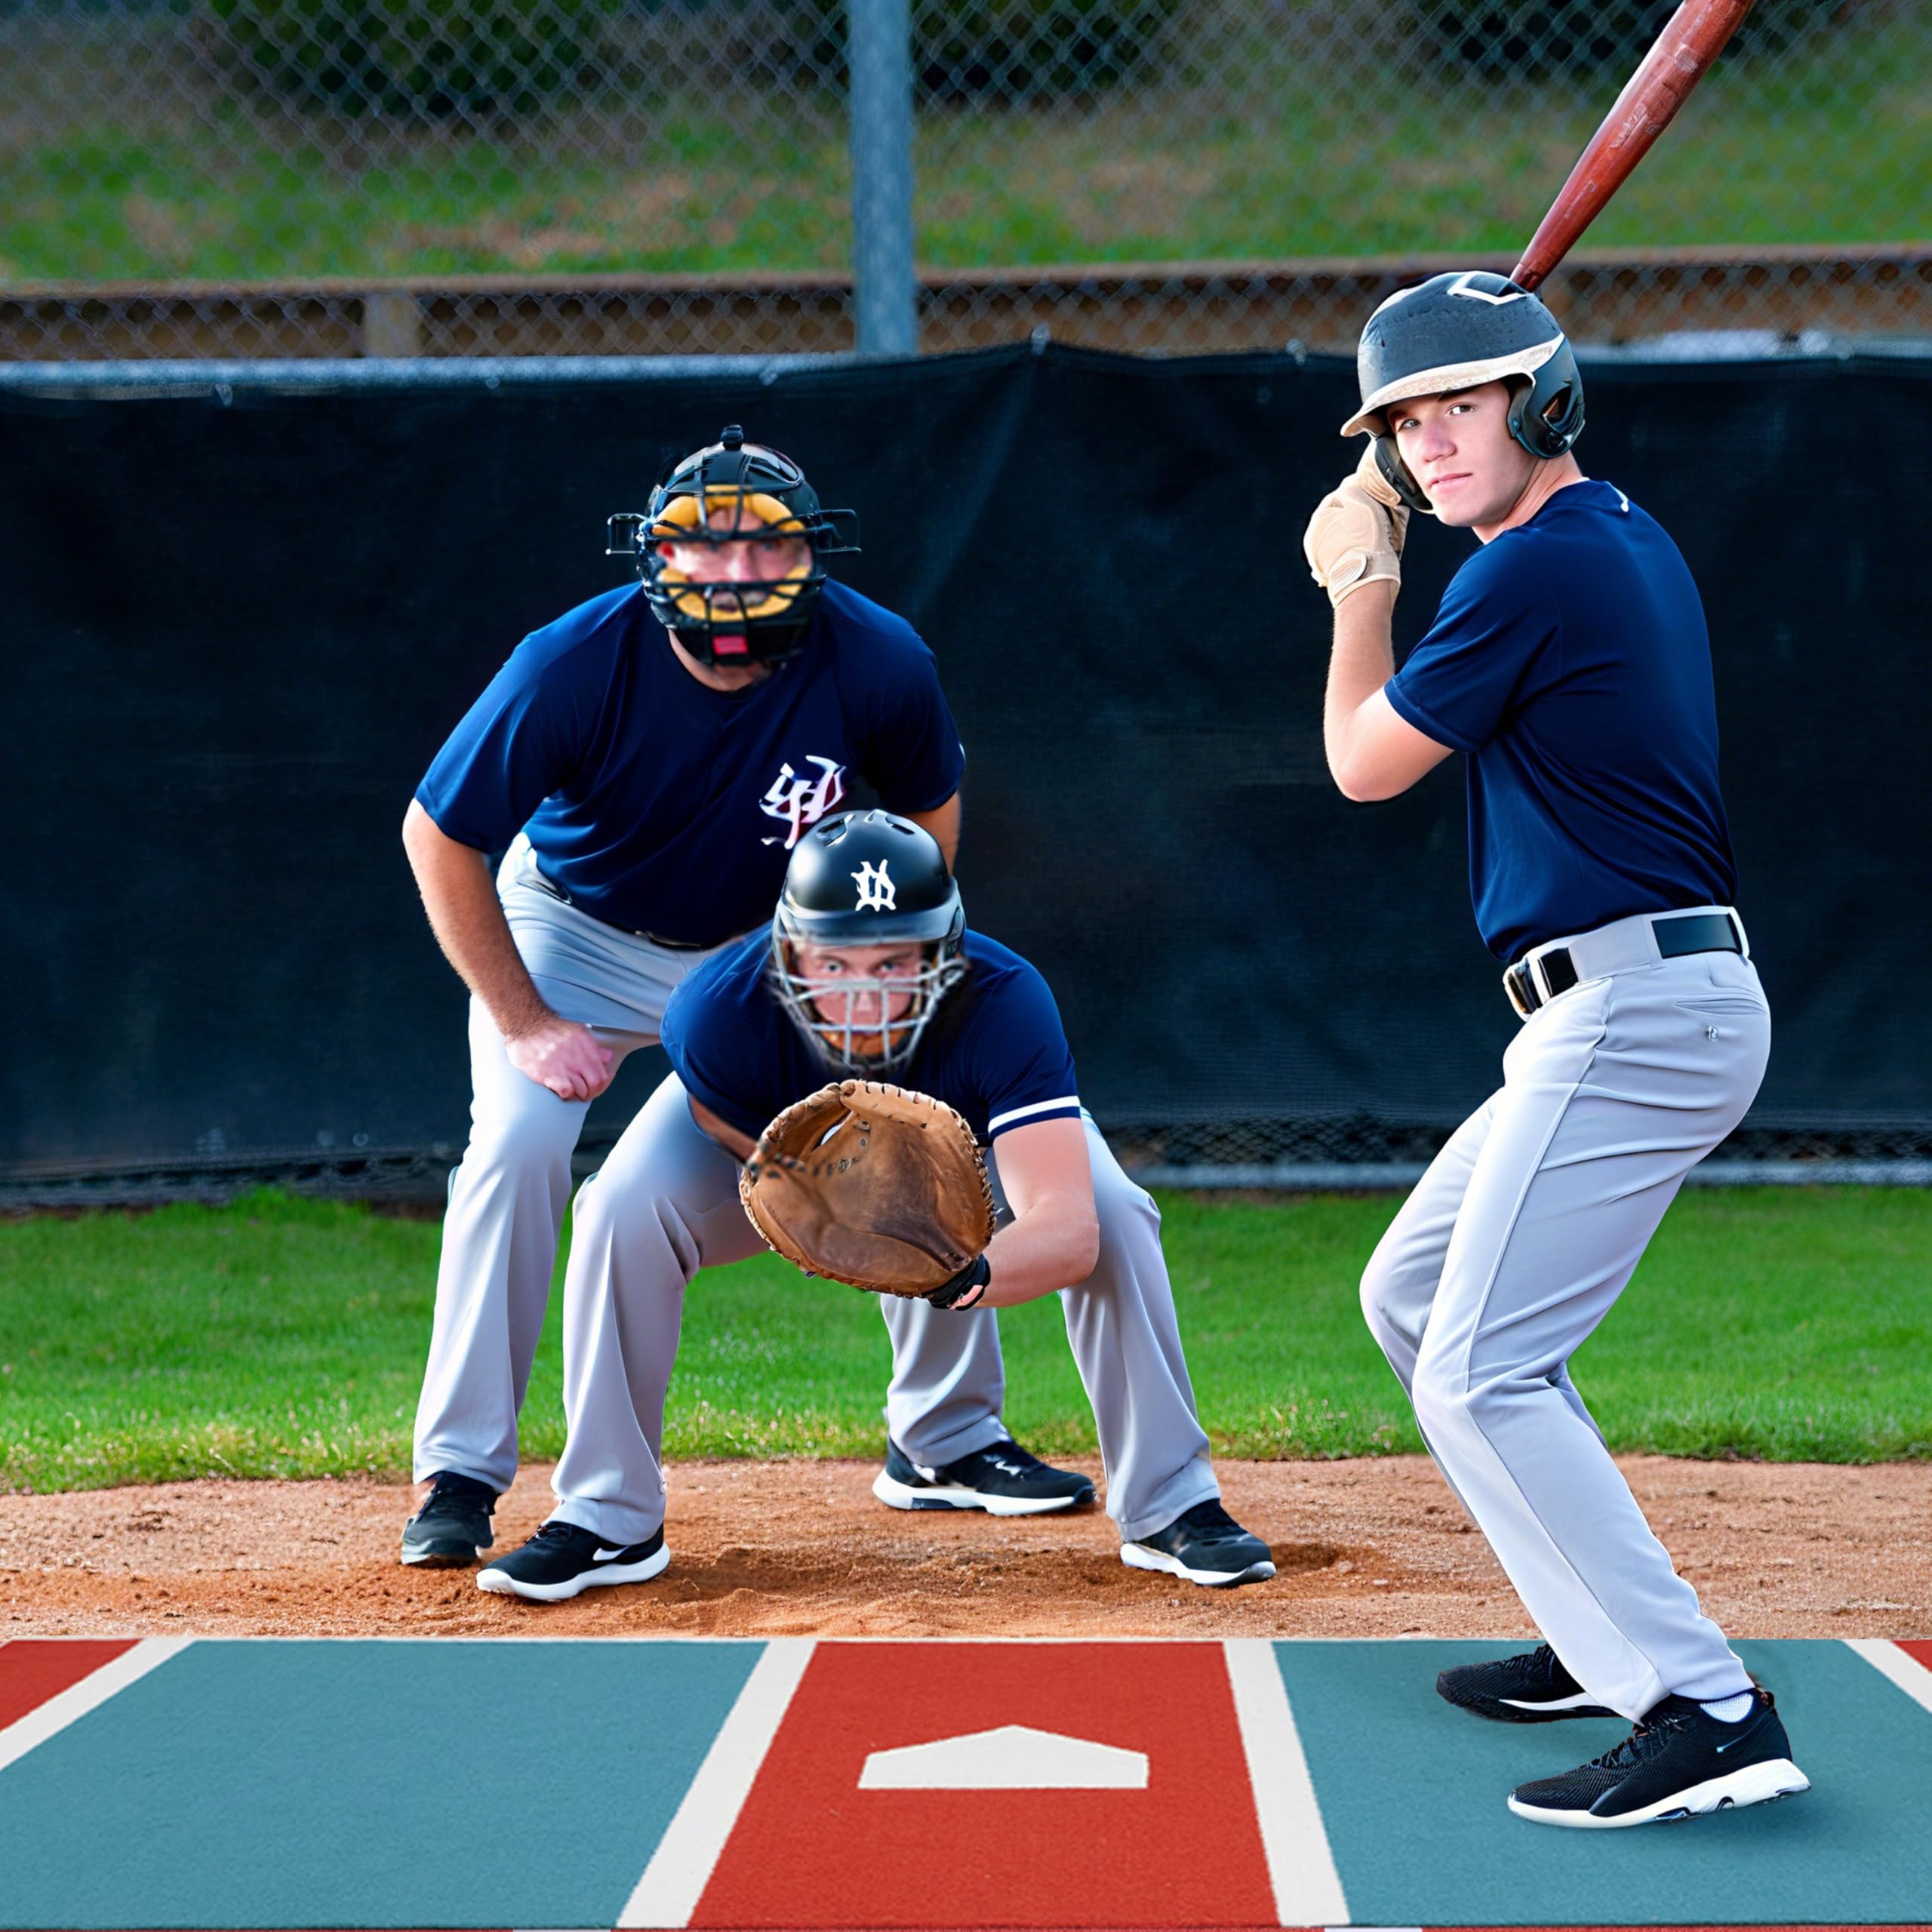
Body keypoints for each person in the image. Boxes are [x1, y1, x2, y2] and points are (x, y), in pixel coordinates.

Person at [1301, 270, 1808, 1828]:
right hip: (1614, 1012)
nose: (1433, 442)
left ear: (1543, 401)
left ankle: (1700, 1705)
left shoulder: (1532, 573)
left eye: (1461, 405)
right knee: (1409, 1299)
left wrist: (1354, 589)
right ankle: (1601, 1642)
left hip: (1634, 1012)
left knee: (1476, 1363)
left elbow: (1359, 763)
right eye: (1404, 420)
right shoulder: (1594, 540)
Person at [399, 429, 1088, 1568]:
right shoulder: (568, 662)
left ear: (809, 560)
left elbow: (929, 824)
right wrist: (527, 1022)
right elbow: (440, 836)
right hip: (574, 929)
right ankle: (461, 1472)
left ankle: (947, 1440)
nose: (728, 575)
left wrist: (875, 970)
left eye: (759, 550)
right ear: (653, 561)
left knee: (908, 1131)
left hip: (776, 948)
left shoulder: (878, 657)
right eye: (698, 548)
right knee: (516, 1147)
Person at [475, 811, 1276, 1601]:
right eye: (837, 963)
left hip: (970, 1131)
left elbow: (1068, 1228)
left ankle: (1172, 1504)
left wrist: (956, 1273)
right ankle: (607, 1513)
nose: (863, 992)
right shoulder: (719, 1009)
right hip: (786, 1142)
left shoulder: (1002, 1000)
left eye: (893, 964)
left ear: (943, 951)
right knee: (618, 1205)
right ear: (789, 950)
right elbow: (725, 1125)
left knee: (1118, 1213)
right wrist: (820, 1194)